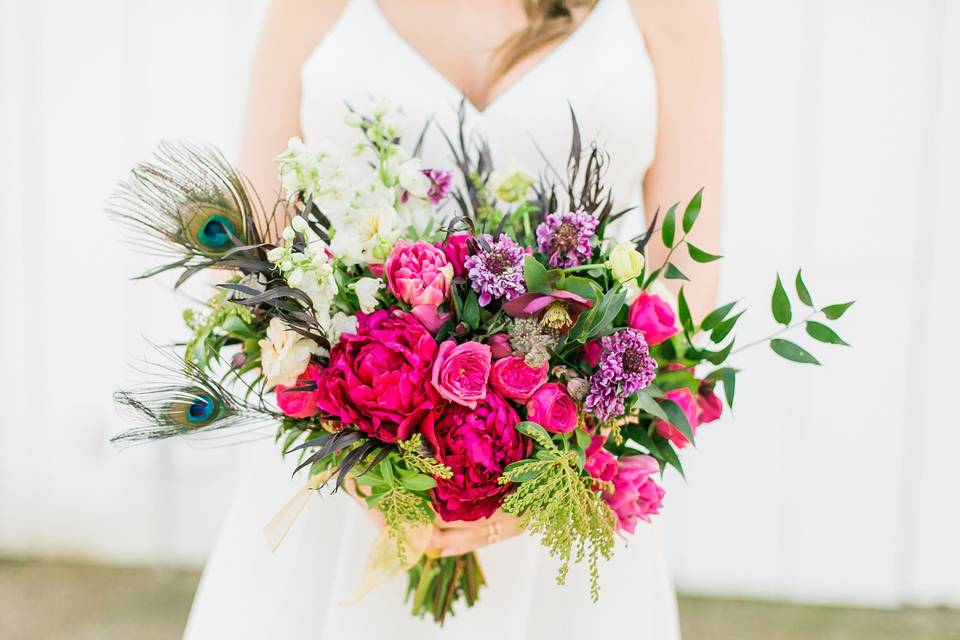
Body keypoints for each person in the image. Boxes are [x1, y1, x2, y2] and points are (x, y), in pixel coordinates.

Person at [184, 1, 721, 637]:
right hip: (342, 482)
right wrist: (357, 453)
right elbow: (245, 246)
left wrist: (550, 477)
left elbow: (685, 288)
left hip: (564, 498)